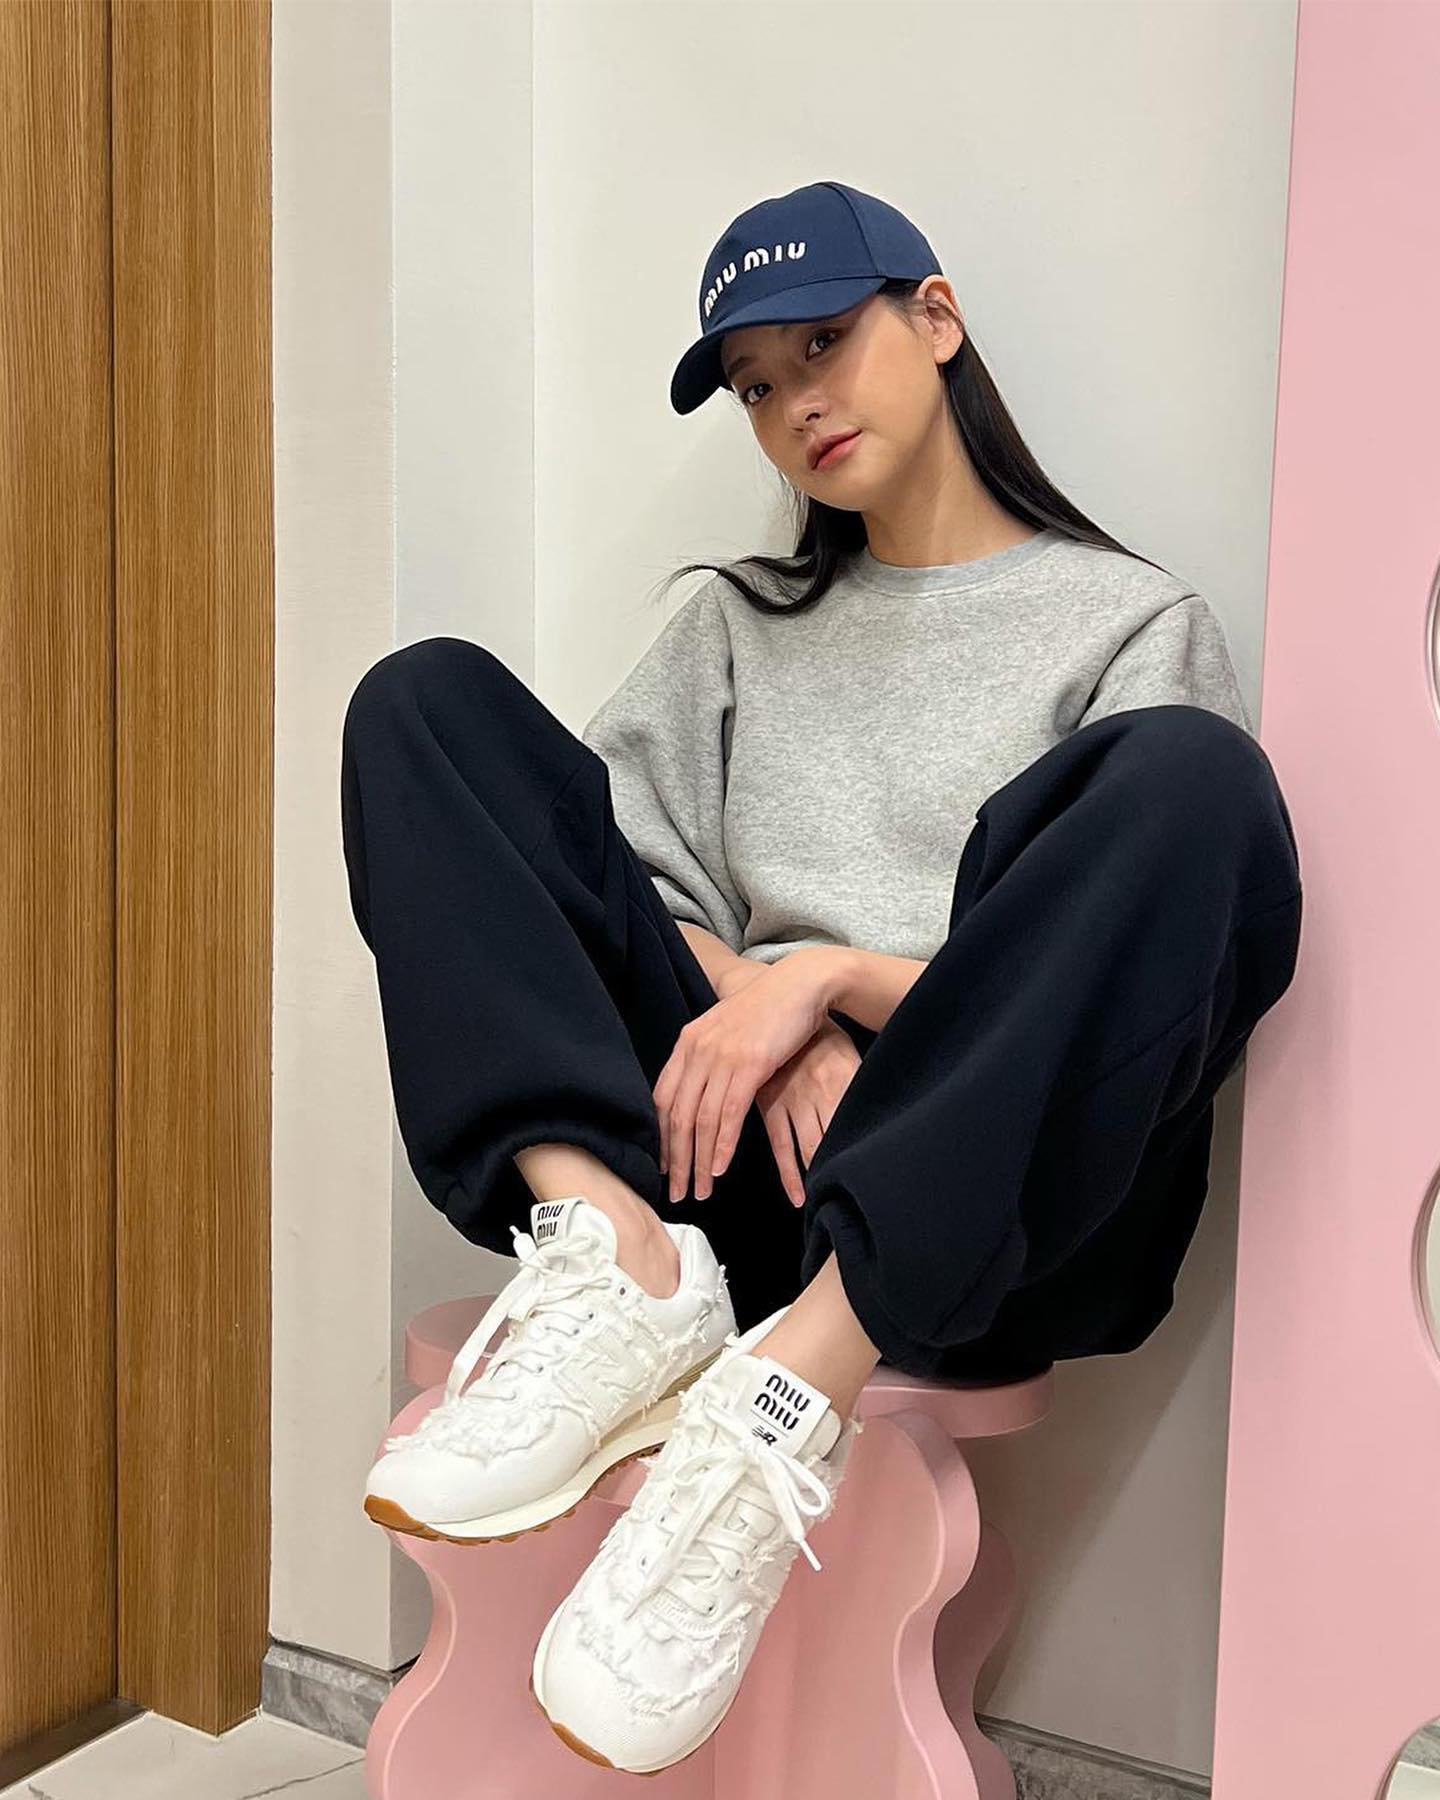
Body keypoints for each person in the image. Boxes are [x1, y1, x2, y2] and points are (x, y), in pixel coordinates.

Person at [340, 181, 1303, 1775]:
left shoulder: (1129, 626)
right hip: (719, 1163)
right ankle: (617, 1258)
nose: (795, 402)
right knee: (422, 702)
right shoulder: (732, 624)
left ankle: (782, 1400)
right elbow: (625, 891)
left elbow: (1121, 986)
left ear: (937, 319)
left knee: (1196, 784)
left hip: (984, 1212)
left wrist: (838, 985)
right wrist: (768, 1012)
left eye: (823, 344)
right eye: (755, 384)